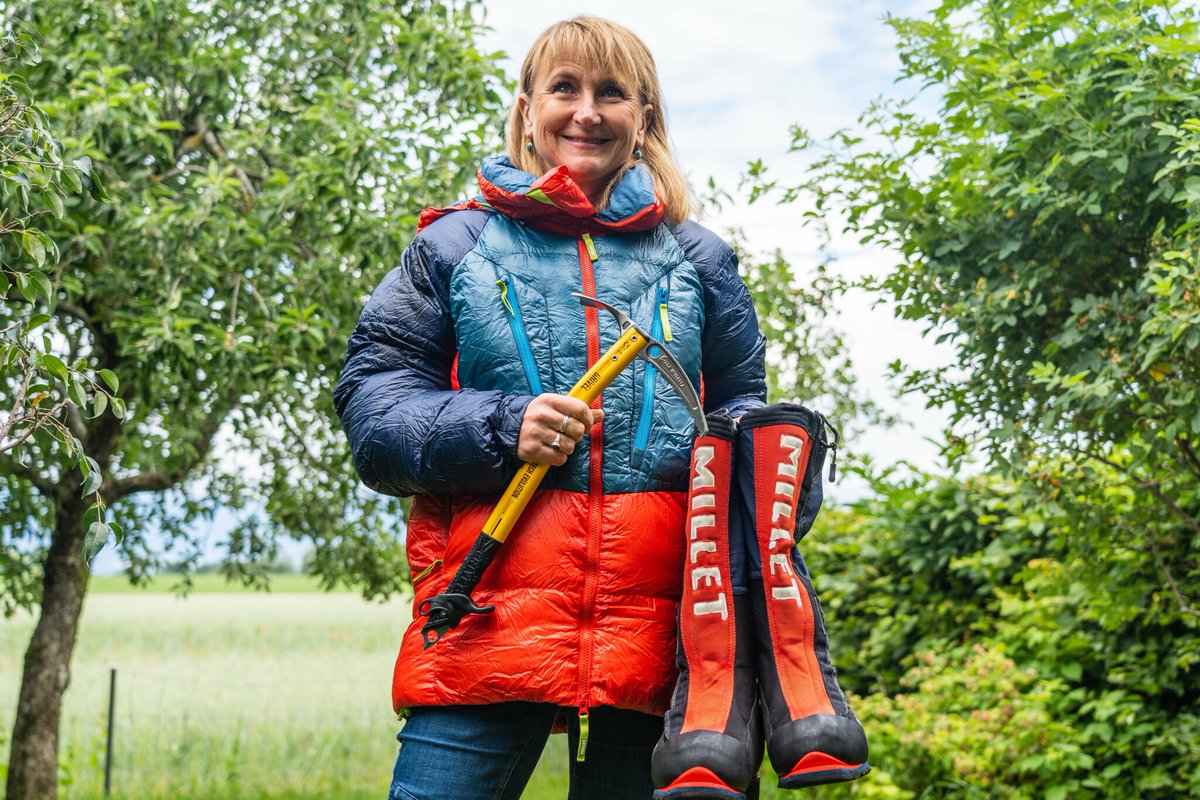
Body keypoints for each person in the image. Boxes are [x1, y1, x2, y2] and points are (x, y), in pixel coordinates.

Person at [334, 16, 865, 800]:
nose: (587, 111)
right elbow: (373, 411)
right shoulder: (453, 248)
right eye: (565, 89)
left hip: (669, 646)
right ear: (527, 109)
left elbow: (746, 432)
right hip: (485, 620)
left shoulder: (701, 262)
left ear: (643, 119)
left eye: (611, 93)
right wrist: (500, 426)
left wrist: (779, 485)